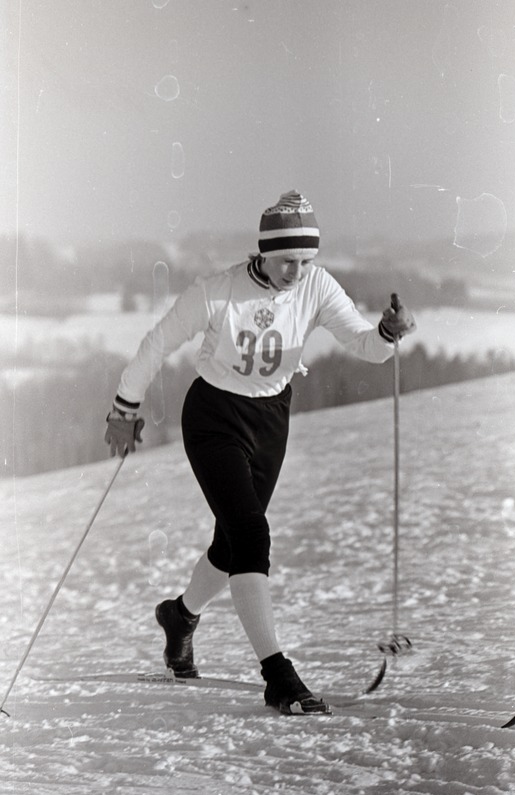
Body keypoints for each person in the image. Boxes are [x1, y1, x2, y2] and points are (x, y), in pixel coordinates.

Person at [105, 190, 416, 716]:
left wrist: (388, 332)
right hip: (214, 419)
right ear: (264, 253)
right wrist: (124, 405)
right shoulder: (218, 291)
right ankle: (278, 677)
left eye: (305, 261)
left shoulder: (316, 285)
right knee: (252, 536)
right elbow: (158, 343)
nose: (296, 271)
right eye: (287, 260)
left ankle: (180, 617)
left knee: (232, 545)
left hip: (271, 420)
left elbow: (365, 345)